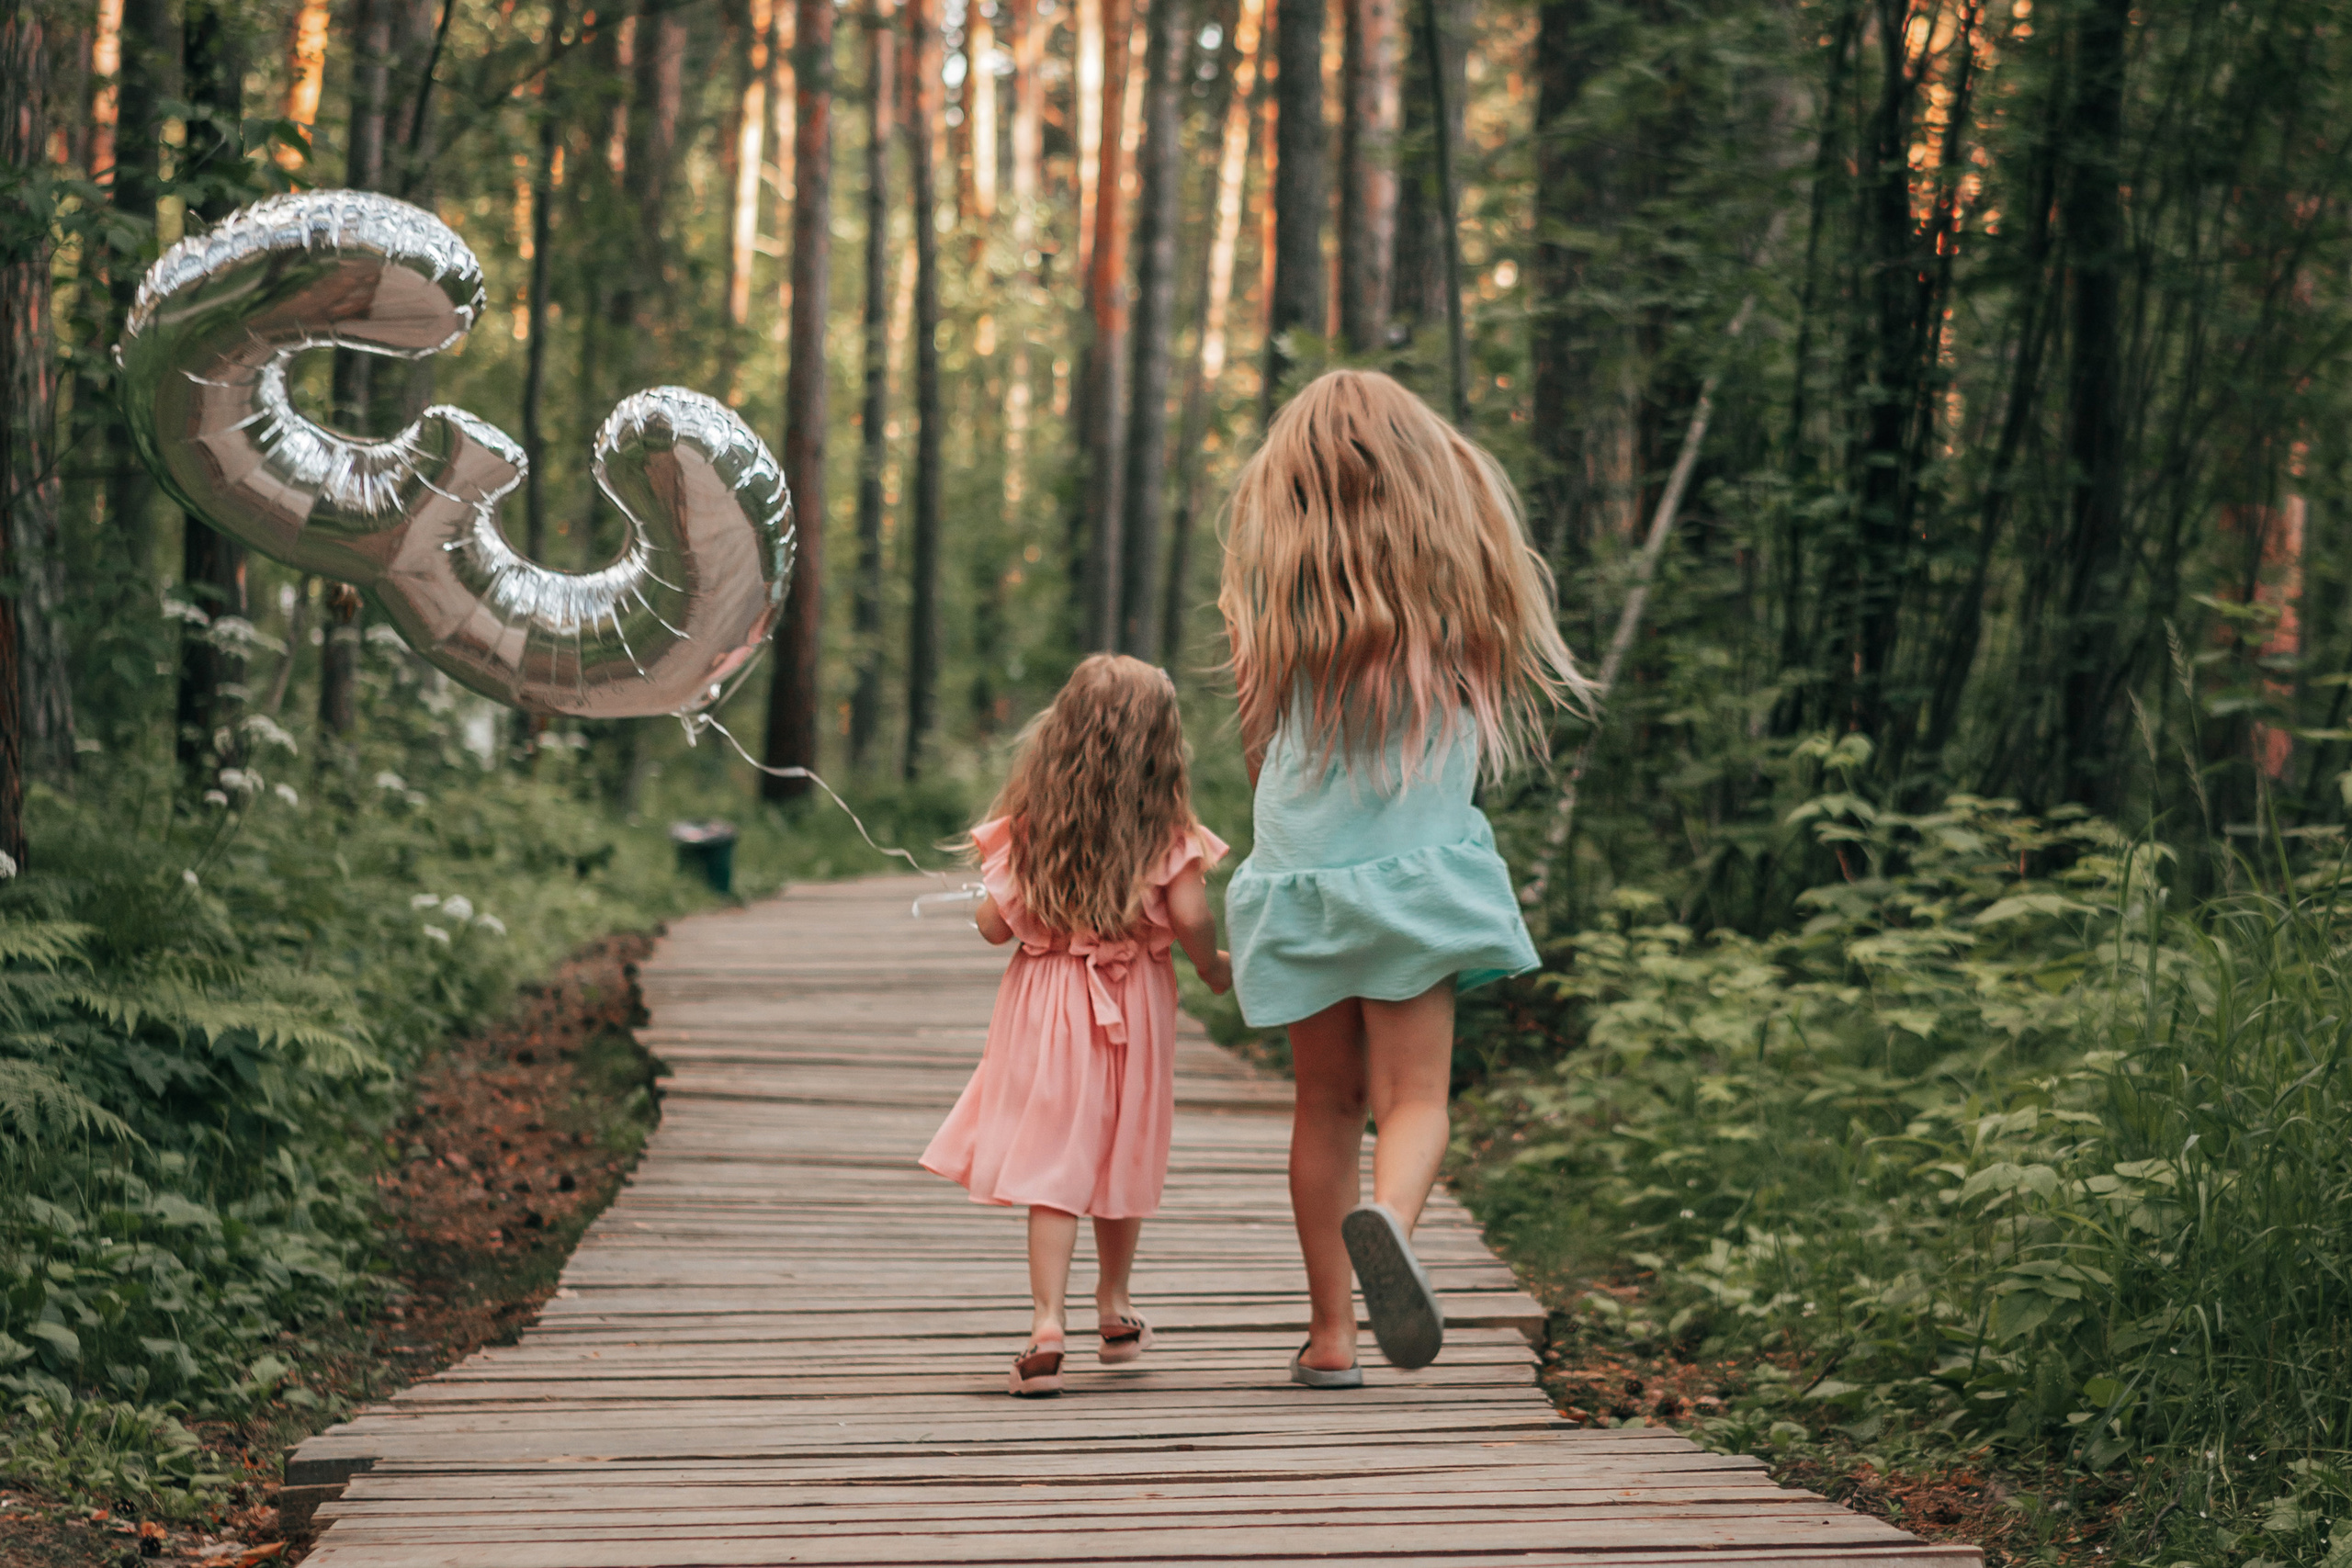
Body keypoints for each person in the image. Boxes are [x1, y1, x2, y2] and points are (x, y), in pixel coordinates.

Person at [1218, 369, 1589, 1386]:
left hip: (1298, 879)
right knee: (1414, 1097)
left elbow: (1259, 756)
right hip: (1415, 878)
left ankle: (1331, 1337)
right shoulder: (1461, 603)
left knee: (1322, 1106)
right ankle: (1390, 1219)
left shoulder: (1273, 611)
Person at [921, 654, 1232, 1397]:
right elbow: (1188, 914)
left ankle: (1046, 1322)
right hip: (1136, 1002)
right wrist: (1214, 967)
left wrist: (999, 893)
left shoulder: (1033, 827)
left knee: (1054, 1162)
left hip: (1048, 1002)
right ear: (1161, 745)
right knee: (1120, 1148)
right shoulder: (1170, 832)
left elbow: (994, 928)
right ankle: (1115, 1307)